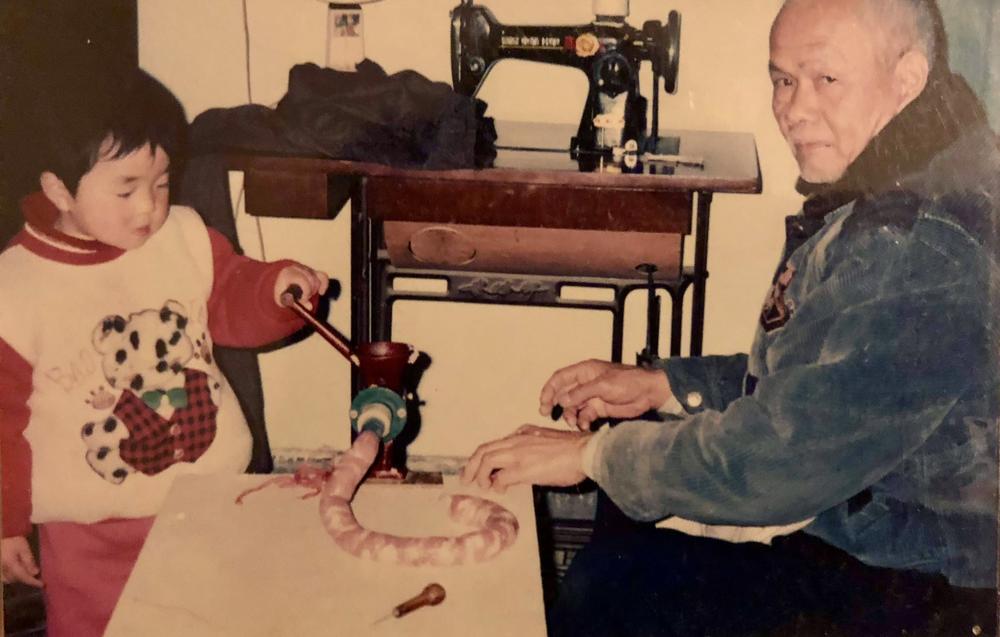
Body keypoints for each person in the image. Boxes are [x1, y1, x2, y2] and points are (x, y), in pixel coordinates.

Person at [462, 0, 999, 634]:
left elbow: (783, 459)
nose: (793, 109)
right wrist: (668, 384)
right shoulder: (894, 186)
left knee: (606, 584)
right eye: (782, 79)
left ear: (906, 78)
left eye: (825, 79)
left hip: (923, 581)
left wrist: (593, 455)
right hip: (870, 519)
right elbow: (825, 377)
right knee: (624, 512)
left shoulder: (922, 242)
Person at [0, 68, 329, 636]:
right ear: (58, 189)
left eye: (161, 182)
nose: (149, 208)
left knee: (212, 620)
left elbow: (230, 293)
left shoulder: (181, 236)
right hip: (90, 539)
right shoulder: (17, 286)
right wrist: (5, 523)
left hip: (206, 504)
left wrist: (274, 288)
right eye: (125, 189)